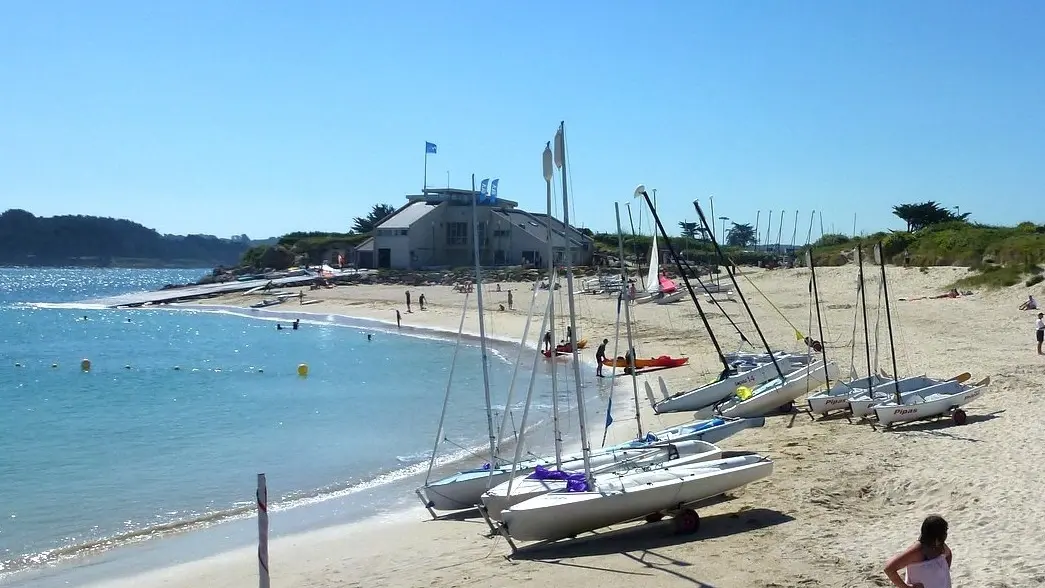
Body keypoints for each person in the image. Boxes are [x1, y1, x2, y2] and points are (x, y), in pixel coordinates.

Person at [884, 515, 951, 588]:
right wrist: (906, 587)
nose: (945, 535)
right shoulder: (917, 551)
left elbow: (949, 555)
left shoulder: (939, 546)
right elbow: (889, 569)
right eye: (944, 533)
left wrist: (944, 574)